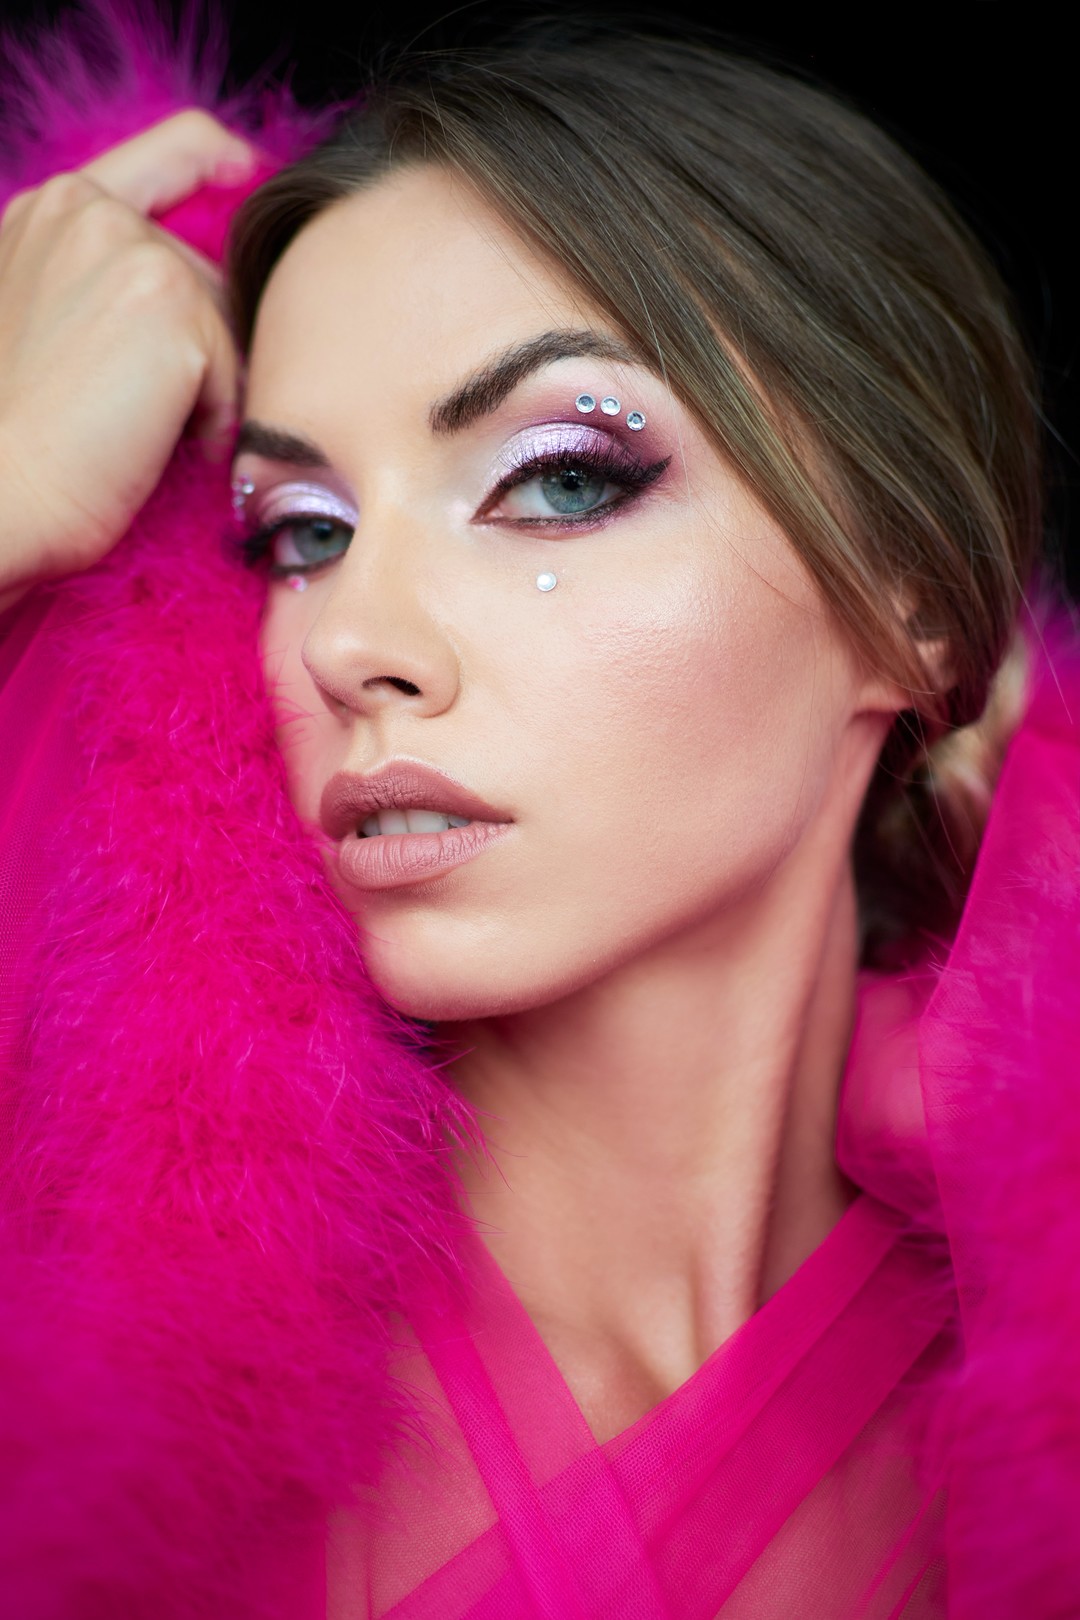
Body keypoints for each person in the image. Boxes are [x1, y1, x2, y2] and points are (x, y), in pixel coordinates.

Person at [1, 7, 1078, 1617]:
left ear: (912, 605)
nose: (353, 641)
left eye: (563, 478)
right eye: (299, 532)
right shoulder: (93, 1354)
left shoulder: (1032, 1385)